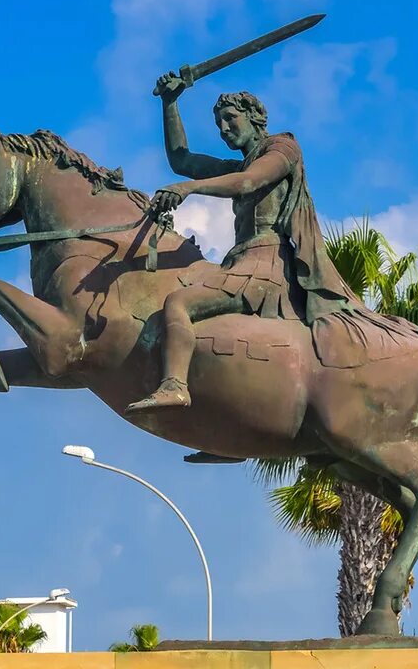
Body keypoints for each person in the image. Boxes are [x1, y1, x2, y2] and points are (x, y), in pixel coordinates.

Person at [126, 72, 361, 413]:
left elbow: (249, 182)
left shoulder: (283, 148)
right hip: (241, 261)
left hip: (266, 266)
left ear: (255, 118)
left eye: (230, 119)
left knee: (177, 304)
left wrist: (188, 189)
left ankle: (175, 386)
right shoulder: (237, 164)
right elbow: (182, 160)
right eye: (219, 123)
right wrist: (170, 103)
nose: (223, 129)